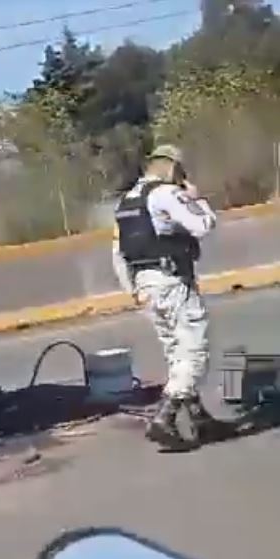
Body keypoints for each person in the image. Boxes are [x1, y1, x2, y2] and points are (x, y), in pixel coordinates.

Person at [110, 144, 223, 447]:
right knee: (194, 351)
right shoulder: (166, 193)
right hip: (172, 281)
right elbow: (203, 225)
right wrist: (195, 197)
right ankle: (165, 416)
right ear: (174, 168)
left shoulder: (127, 202)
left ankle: (200, 420)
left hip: (147, 286)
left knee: (176, 353)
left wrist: (133, 290)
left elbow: (119, 253)